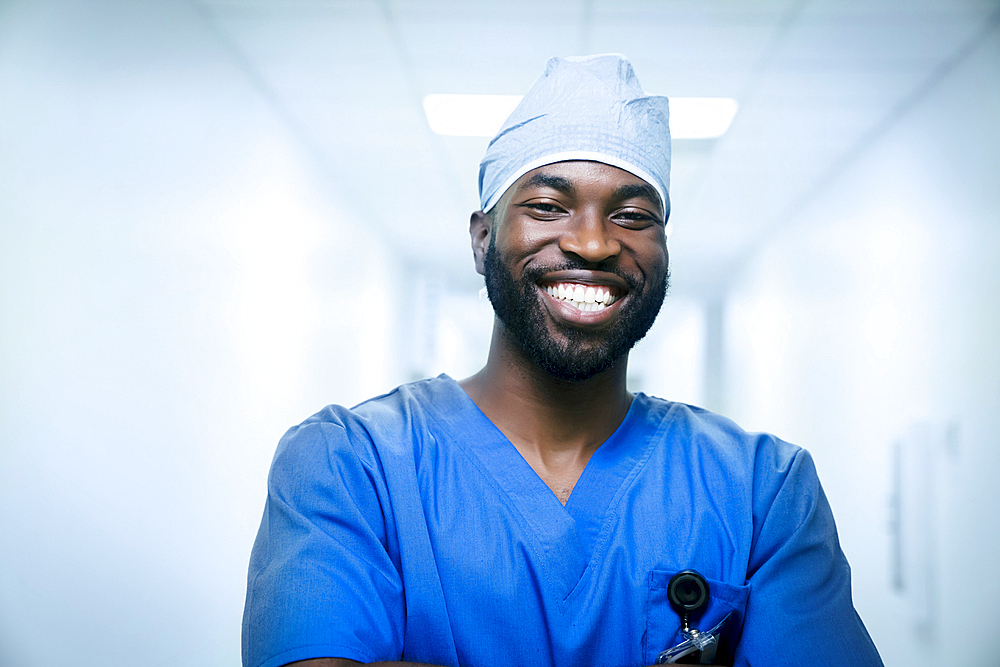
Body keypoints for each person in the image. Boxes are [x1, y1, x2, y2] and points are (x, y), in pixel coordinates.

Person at [241, 54, 883, 667]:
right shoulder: (349, 465)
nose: (593, 242)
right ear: (483, 237)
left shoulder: (761, 488)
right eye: (548, 206)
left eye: (632, 216)